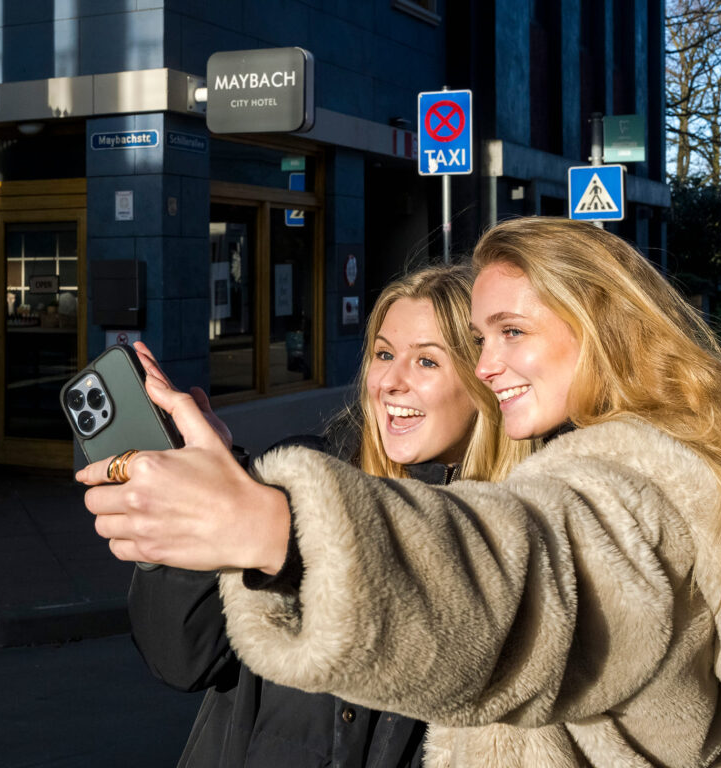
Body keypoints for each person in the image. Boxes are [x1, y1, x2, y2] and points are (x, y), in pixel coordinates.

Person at [79, 218, 721, 767]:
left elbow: (519, 587)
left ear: (601, 328)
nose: (489, 365)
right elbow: (185, 655)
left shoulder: (623, 490)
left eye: (507, 335)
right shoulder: (655, 472)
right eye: (384, 353)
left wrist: (272, 529)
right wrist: (213, 516)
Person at [120, 265, 526, 767]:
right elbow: (181, 660)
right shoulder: (299, 477)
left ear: (484, 378)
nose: (390, 382)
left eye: (426, 361)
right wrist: (192, 515)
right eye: (383, 355)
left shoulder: (521, 529)